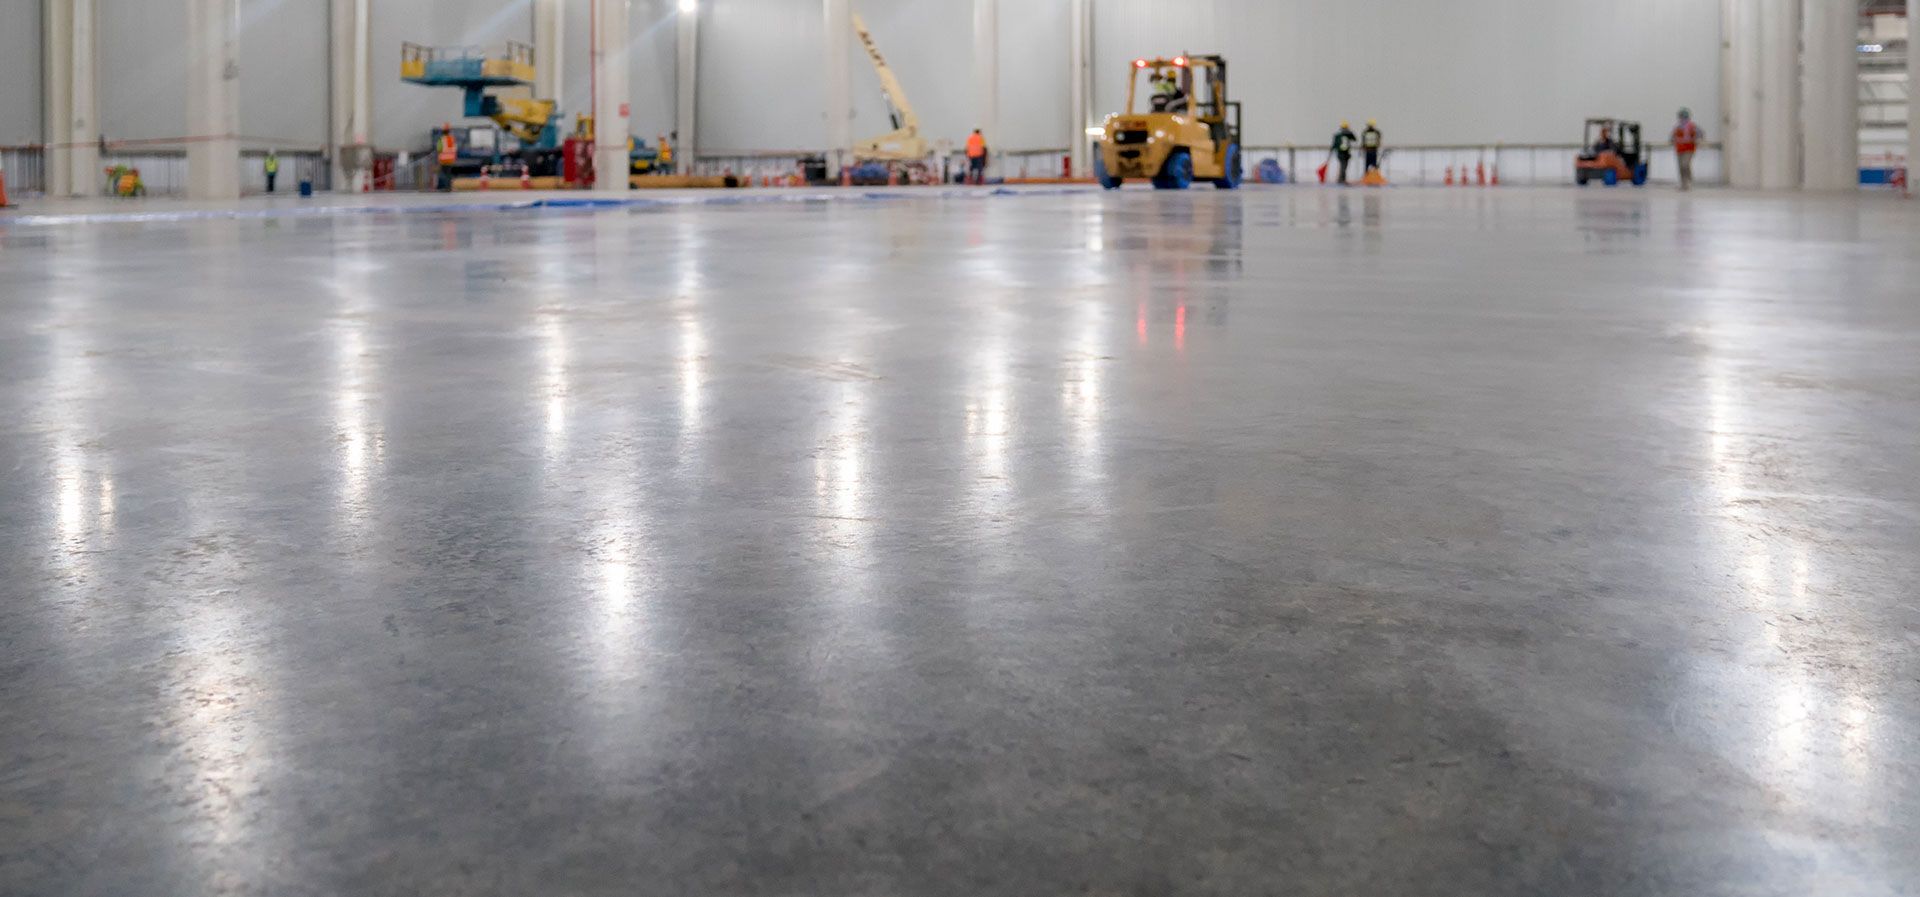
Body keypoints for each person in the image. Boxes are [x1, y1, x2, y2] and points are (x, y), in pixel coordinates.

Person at [1671, 108, 1702, 191]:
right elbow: (1673, 136)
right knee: (1681, 166)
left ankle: (1689, 180)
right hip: (1680, 148)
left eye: (1684, 117)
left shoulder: (1692, 126)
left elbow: (1700, 134)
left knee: (1685, 164)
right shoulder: (1677, 127)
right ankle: (1683, 183)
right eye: (1681, 117)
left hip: (1689, 148)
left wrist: (1696, 139)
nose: (1682, 119)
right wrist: (1673, 140)